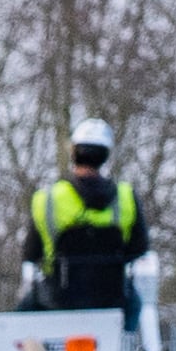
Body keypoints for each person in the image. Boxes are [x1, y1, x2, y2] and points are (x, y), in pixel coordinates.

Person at [25, 118, 149, 326]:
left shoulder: (46, 199)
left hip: (57, 300)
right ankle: (128, 347)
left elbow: (31, 253)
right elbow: (139, 247)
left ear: (73, 152)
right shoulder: (126, 196)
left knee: (23, 313)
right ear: (105, 155)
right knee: (136, 303)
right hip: (112, 298)